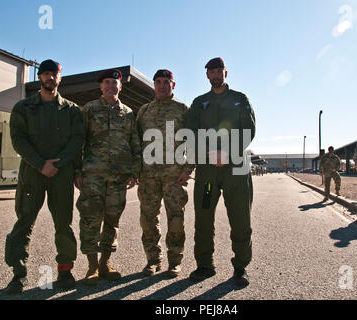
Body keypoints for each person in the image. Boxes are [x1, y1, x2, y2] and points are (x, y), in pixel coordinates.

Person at [5, 59, 84, 294]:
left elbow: (77, 140)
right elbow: (18, 139)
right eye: (46, 74)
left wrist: (59, 164)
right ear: (39, 77)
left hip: (61, 173)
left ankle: (65, 270)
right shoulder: (24, 107)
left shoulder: (71, 110)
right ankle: (18, 275)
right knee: (24, 222)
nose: (50, 78)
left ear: (60, 78)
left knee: (63, 223)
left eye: (54, 74)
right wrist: (41, 164)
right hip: (32, 173)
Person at [187, 57, 256, 286]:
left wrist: (227, 152)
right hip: (207, 172)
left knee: (240, 218)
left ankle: (240, 267)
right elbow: (191, 133)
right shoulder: (199, 103)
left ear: (226, 73)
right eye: (211, 71)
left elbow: (249, 129)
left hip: (235, 169)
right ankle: (205, 265)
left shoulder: (239, 99)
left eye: (219, 70)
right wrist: (209, 154)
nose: (216, 74)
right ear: (207, 75)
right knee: (204, 217)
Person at [76, 69, 141, 285]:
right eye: (107, 83)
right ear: (101, 86)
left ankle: (106, 263)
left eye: (115, 83)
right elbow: (78, 142)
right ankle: (92, 267)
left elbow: (134, 144)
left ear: (120, 86)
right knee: (90, 219)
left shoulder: (129, 113)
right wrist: (77, 172)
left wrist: (134, 172)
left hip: (118, 178)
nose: (111, 86)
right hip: (93, 175)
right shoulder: (89, 109)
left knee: (112, 221)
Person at [136, 69, 193, 278]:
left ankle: (175, 261)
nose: (162, 85)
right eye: (158, 82)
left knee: (176, 219)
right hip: (148, 175)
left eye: (166, 82)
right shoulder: (144, 111)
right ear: (154, 85)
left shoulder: (183, 110)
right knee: (148, 219)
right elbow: (136, 141)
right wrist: (136, 170)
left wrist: (188, 169)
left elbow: (194, 140)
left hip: (174, 175)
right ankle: (153, 260)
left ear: (173, 85)